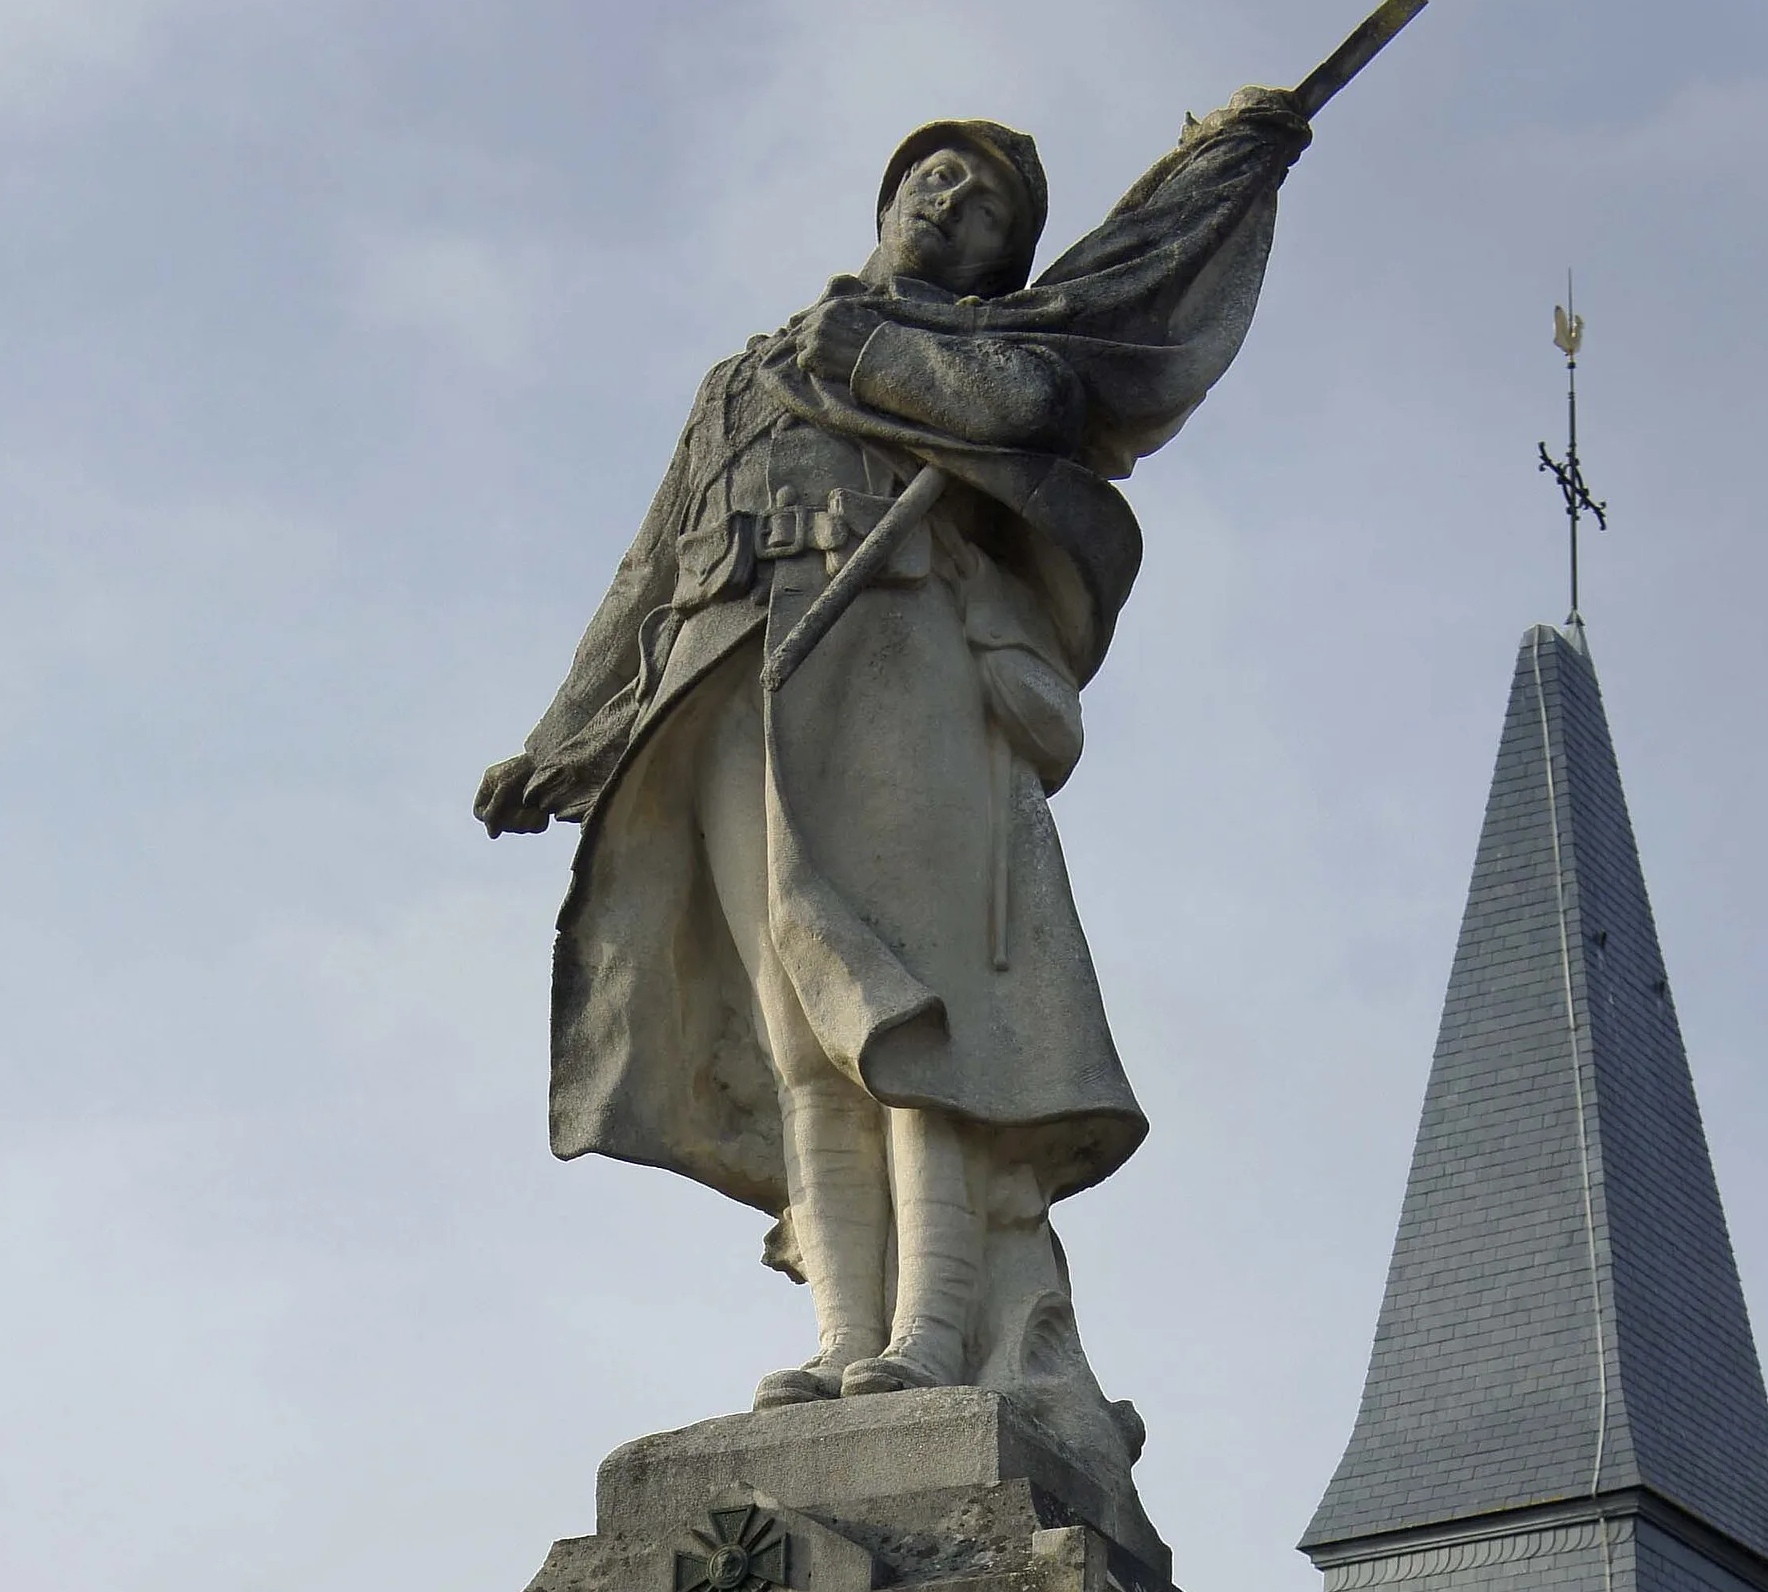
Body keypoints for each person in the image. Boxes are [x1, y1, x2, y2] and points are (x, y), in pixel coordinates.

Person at [477, 94, 1308, 1417]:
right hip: (736, 679)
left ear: (1001, 258)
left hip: (896, 664)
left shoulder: (968, 349)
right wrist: (563, 741)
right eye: (934, 175)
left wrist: (873, 351)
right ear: (886, 192)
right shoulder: (746, 374)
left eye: (985, 207)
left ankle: (931, 1330)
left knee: (912, 1008)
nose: (950, 203)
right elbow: (648, 573)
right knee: (807, 1032)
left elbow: (1037, 401)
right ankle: (841, 1330)